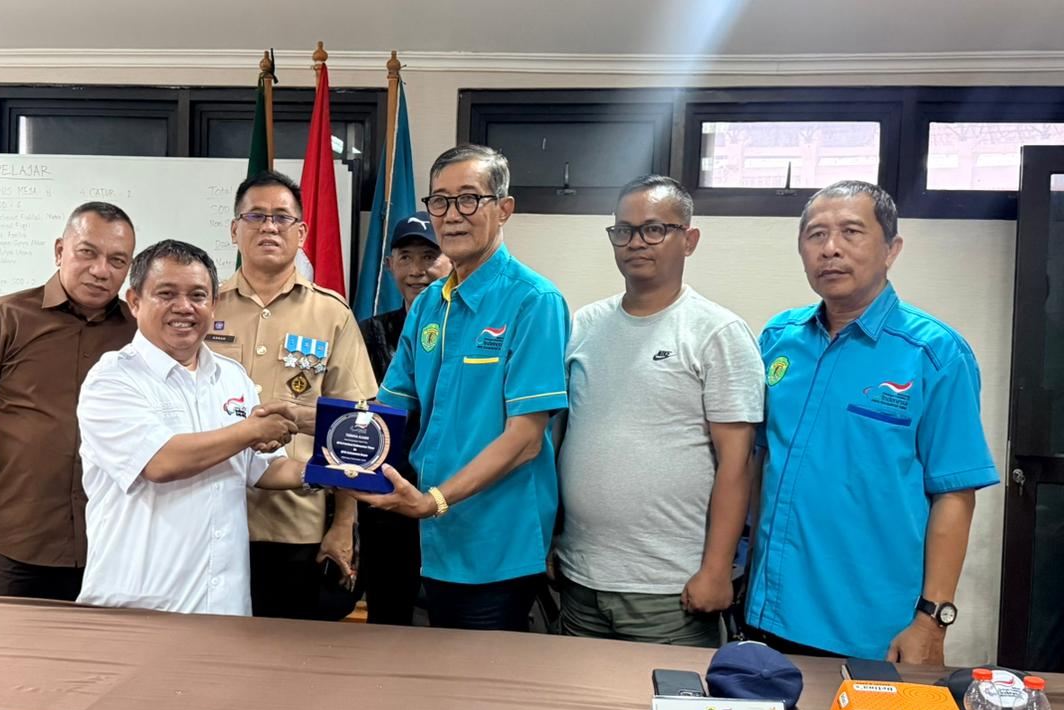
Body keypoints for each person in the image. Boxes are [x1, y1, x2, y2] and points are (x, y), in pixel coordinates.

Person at [746, 180, 999, 662]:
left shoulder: (934, 353)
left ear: (891, 249)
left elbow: (954, 492)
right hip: (768, 611)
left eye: (851, 232)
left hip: (874, 629)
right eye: (816, 235)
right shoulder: (778, 338)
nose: (830, 248)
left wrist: (932, 619)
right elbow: (757, 461)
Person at [349, 144, 571, 632]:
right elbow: (389, 409)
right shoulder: (431, 303)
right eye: (440, 201)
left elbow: (525, 439)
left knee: (481, 673)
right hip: (433, 535)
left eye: (469, 199)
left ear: (503, 208)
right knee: (432, 670)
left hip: (495, 541)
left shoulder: (533, 301)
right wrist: (304, 421)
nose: (452, 215)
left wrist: (435, 501)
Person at [553, 175, 764, 646]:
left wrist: (717, 570)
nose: (635, 242)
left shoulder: (718, 332)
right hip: (580, 578)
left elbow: (738, 463)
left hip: (671, 590)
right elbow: (561, 439)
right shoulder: (584, 325)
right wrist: (550, 538)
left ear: (689, 240)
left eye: (654, 229)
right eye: (623, 230)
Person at [75, 240, 308, 615]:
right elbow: (161, 462)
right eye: (166, 294)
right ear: (134, 301)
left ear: (213, 304)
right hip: (138, 609)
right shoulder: (112, 379)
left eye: (198, 296)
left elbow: (263, 467)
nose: (184, 307)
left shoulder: (231, 377)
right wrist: (250, 431)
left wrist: (330, 472)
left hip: (224, 608)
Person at [0, 201, 137, 600]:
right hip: (15, 540)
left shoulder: (139, 334)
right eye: (87, 252)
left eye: (117, 260)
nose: (101, 270)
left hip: (111, 543)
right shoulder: (4, 318)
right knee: (4, 642)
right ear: (60, 251)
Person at [206, 170, 378, 620]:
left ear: (301, 233)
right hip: (210, 516)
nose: (269, 226)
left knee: (287, 650)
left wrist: (344, 523)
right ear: (234, 229)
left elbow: (354, 427)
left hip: (296, 522)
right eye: (256, 216)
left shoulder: (331, 313)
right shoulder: (204, 307)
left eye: (282, 218)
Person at [357, 211, 453, 625]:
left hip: (451, 495)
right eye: (406, 257)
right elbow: (358, 415)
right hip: (387, 500)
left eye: (430, 256)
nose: (417, 270)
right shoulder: (367, 332)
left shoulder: (467, 329)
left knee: (452, 627)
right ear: (389, 264)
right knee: (387, 621)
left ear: (450, 259)